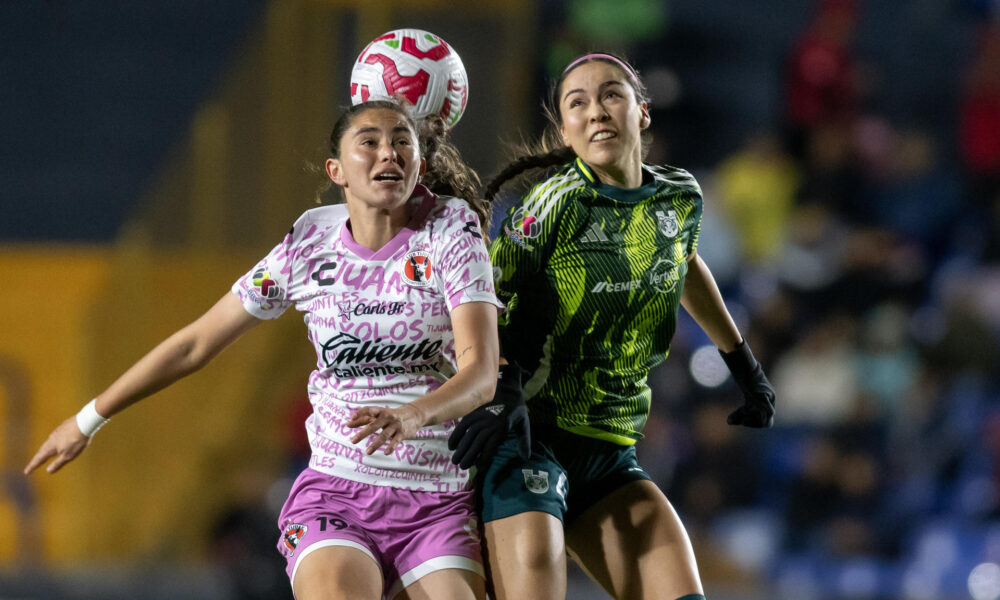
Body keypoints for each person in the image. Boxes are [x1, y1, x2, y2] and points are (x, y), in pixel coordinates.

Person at [24, 99, 502, 600]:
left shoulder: (452, 230)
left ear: (420, 165)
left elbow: (481, 371)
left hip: (437, 499)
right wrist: (87, 420)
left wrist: (412, 415)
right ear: (336, 170)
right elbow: (195, 344)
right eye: (370, 142)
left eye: (402, 141)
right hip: (337, 492)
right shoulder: (308, 243)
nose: (390, 153)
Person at [447, 53, 776, 600]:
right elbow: (483, 303)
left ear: (641, 113)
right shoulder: (552, 206)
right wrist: (501, 392)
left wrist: (743, 363)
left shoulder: (680, 197)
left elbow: (685, 262)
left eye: (611, 95)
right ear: (565, 130)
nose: (596, 111)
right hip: (529, 439)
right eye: (577, 102)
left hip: (610, 452)